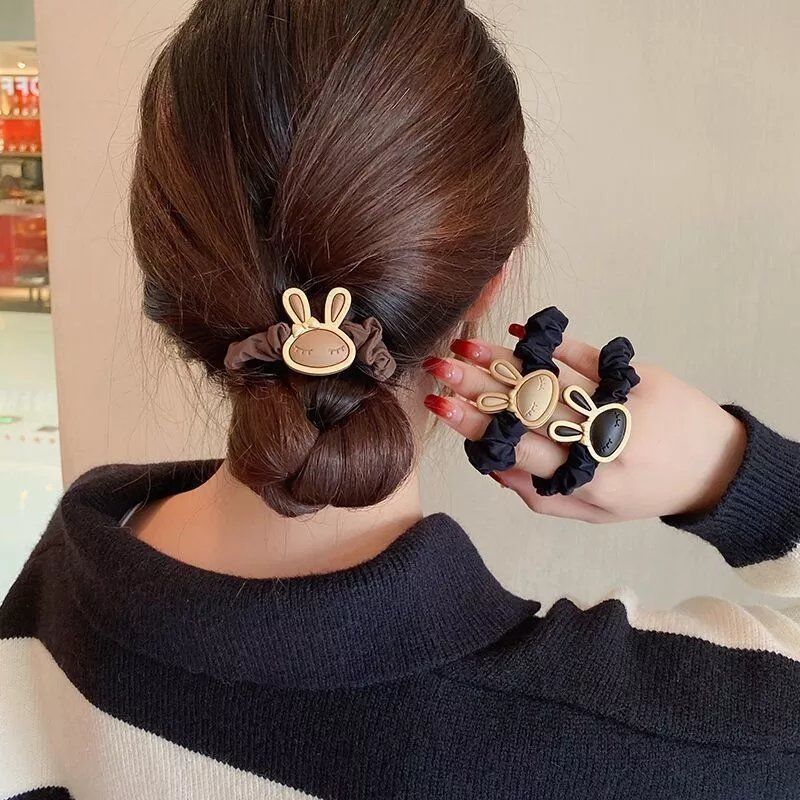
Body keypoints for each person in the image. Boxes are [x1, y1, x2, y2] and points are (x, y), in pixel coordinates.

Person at [1, 1, 798, 798]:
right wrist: (729, 471)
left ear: (170, 272)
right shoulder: (651, 742)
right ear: (488, 286)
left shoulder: (54, 608)